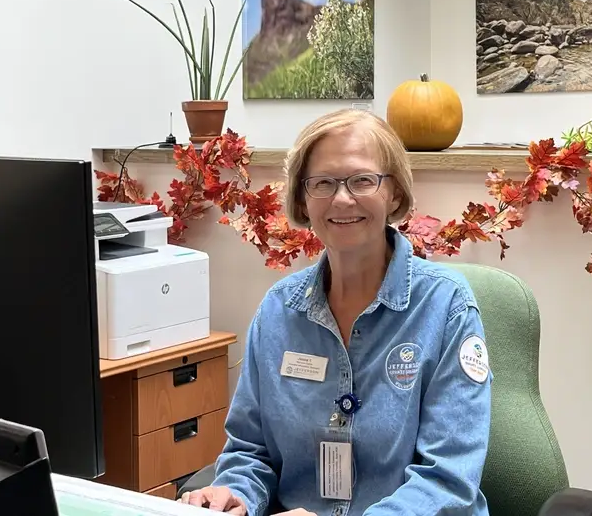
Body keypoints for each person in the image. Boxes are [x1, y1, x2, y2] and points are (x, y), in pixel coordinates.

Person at [181, 109, 492, 516]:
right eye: (323, 183)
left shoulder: (446, 308)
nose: (342, 199)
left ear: (394, 193)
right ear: (303, 201)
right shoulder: (278, 311)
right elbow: (250, 452)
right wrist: (236, 492)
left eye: (363, 180)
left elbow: (449, 480)